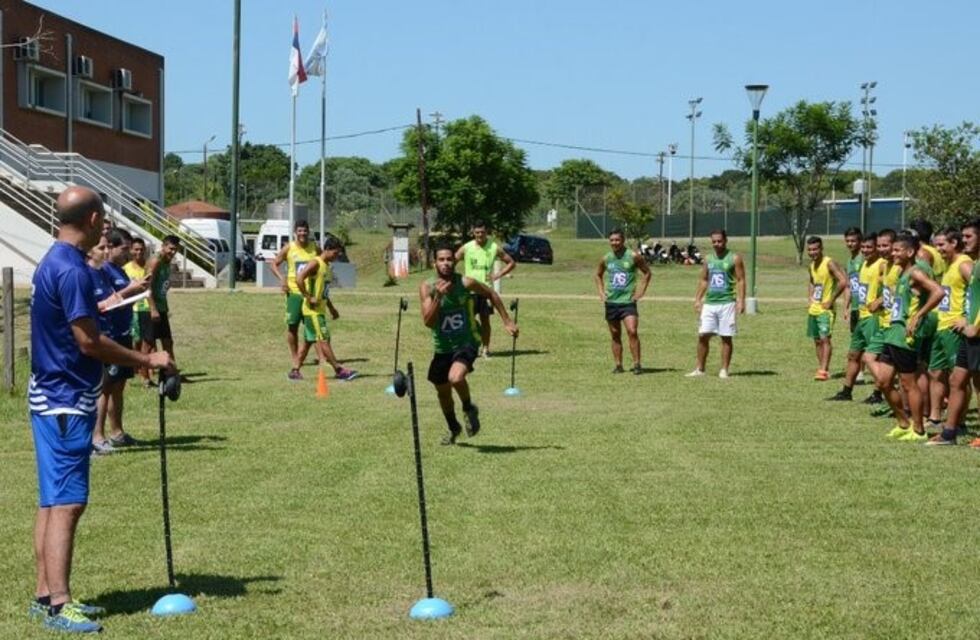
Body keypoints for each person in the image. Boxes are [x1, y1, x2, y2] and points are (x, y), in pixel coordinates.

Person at [27, 186, 172, 633]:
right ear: (92, 220)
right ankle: (60, 605)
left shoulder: (53, 261)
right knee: (68, 503)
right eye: (103, 218)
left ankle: (44, 595)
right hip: (66, 401)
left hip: (48, 397)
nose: (104, 226)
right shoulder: (70, 270)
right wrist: (148, 359)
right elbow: (88, 341)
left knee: (53, 502)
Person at [420, 245, 518, 445]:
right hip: (442, 347)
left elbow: (491, 294)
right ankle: (453, 427)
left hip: (467, 341)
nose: (446, 263)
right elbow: (429, 322)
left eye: (449, 259)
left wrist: (507, 321)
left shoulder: (466, 282)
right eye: (441, 259)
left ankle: (468, 408)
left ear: (455, 262)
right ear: (434, 263)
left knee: (455, 378)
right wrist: (438, 297)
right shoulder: (427, 287)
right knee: (443, 392)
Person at [876, 232, 944, 442]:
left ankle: (919, 428)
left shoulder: (916, 272)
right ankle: (903, 422)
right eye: (893, 249)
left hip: (905, 336)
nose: (892, 253)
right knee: (883, 381)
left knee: (908, 383)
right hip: (892, 332)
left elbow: (939, 292)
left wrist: (918, 315)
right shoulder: (903, 273)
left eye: (897, 250)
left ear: (910, 252)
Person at [93, 229, 149, 454]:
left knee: (119, 386)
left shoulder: (117, 271)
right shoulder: (102, 270)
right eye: (123, 249)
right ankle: (97, 436)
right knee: (105, 387)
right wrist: (131, 290)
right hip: (110, 335)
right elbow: (104, 303)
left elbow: (119, 298)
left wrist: (137, 291)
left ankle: (117, 432)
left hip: (123, 332)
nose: (127, 254)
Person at [928, 220, 980, 445]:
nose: (963, 240)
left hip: (974, 332)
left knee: (977, 384)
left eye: (968, 237)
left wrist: (974, 325)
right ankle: (949, 433)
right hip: (967, 332)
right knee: (957, 379)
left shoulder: (967, 264)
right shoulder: (975, 264)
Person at [295, 237, 358, 381]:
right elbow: (299, 279)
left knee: (307, 342)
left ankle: (294, 371)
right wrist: (308, 296)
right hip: (312, 311)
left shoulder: (327, 266)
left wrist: (331, 308)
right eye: (335, 253)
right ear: (327, 249)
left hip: (320, 310)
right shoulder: (315, 263)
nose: (336, 257)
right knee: (324, 340)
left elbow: (323, 291)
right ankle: (339, 370)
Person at [829, 232, 882, 400]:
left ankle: (878, 393)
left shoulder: (882, 265)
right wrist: (848, 306)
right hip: (861, 315)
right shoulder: (864, 265)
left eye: (869, 247)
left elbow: (892, 288)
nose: (865, 251)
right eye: (864, 247)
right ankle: (846, 391)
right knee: (853, 354)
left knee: (874, 358)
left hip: (874, 318)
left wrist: (879, 301)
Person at [687, 229, 745, 378]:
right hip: (710, 303)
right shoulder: (708, 259)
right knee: (703, 336)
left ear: (725, 241)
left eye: (719, 241)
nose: (717, 244)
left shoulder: (734, 258)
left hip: (727, 303)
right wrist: (698, 299)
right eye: (714, 241)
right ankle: (700, 369)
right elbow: (704, 280)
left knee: (726, 336)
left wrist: (741, 300)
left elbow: (740, 280)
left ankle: (724, 369)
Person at [455, 220, 516, 358]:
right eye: (477, 232)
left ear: (486, 232)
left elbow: (511, 262)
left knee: (485, 322)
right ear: (473, 233)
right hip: (468, 291)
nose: (480, 235)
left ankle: (485, 349)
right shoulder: (467, 247)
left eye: (482, 232)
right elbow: (452, 261)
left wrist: (498, 275)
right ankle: (468, 347)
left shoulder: (494, 247)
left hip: (486, 291)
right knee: (465, 322)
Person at [595, 228, 652, 374]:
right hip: (612, 302)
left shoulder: (633, 256)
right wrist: (601, 293)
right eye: (612, 240)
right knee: (615, 334)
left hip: (628, 302)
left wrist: (640, 292)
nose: (615, 243)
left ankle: (637, 364)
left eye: (617, 240)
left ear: (623, 240)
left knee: (632, 331)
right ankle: (618, 365)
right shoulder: (606, 258)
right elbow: (598, 275)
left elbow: (647, 273)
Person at [272, 220, 319, 380]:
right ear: (295, 232)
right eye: (299, 231)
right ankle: (295, 357)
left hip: (310, 293)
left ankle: (308, 356)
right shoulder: (289, 248)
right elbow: (274, 264)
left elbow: (322, 263)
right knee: (292, 327)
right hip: (294, 293)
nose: (302, 234)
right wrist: (282, 279)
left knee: (312, 327)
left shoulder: (315, 248)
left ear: (309, 232)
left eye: (305, 231)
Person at [805, 236, 848, 381]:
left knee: (825, 339)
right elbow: (812, 281)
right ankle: (822, 368)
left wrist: (831, 300)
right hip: (814, 309)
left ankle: (823, 370)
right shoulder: (811, 265)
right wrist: (810, 298)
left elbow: (843, 281)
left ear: (821, 249)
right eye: (810, 250)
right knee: (817, 340)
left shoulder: (829, 263)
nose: (812, 252)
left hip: (826, 310)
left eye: (815, 249)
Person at [143, 235, 180, 367]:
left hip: (162, 307)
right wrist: (153, 309)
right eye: (170, 248)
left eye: (175, 249)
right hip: (150, 308)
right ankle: (145, 377)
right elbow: (147, 286)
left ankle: (171, 371)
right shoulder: (155, 261)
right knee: (148, 343)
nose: (173, 252)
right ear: (163, 246)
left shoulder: (167, 262)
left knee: (168, 342)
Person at [123, 237, 154, 388]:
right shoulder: (126, 269)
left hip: (147, 308)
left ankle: (145, 375)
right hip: (133, 309)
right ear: (130, 250)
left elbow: (151, 288)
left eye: (141, 249)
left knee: (147, 343)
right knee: (136, 342)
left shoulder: (148, 267)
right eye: (136, 249)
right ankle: (133, 370)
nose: (139, 252)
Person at [842, 226, 864, 334]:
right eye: (847, 241)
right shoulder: (849, 261)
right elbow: (848, 286)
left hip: (865, 308)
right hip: (854, 309)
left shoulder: (864, 258)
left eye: (853, 241)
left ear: (860, 241)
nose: (850, 244)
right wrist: (846, 307)